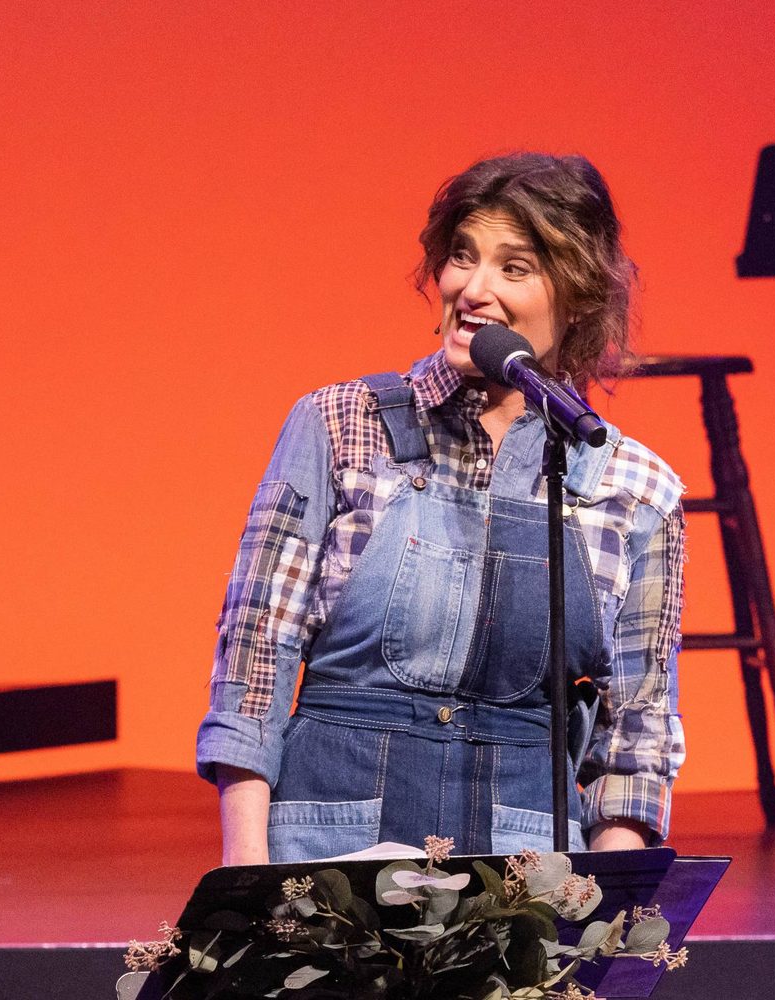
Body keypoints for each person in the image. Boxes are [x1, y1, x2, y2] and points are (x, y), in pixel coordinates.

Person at [196, 153, 686, 864]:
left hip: (523, 877)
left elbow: (635, 739)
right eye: (462, 256)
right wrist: (246, 883)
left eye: (514, 268)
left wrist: (603, 907)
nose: (472, 289)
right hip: (329, 855)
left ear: (578, 299)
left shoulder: (636, 490)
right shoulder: (340, 425)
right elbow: (254, 660)